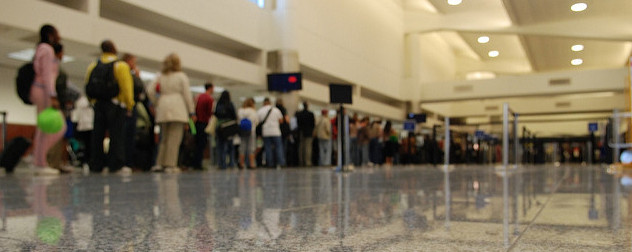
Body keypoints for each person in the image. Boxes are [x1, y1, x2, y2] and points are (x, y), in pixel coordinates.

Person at [85, 40, 135, 175]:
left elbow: (88, 84)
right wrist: (129, 104)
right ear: (114, 49)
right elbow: (126, 87)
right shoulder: (120, 65)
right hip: (115, 104)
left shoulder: (93, 65)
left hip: (99, 104)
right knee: (116, 135)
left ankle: (96, 164)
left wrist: (93, 101)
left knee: (97, 135)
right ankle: (116, 165)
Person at [147, 53, 195, 173]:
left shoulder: (160, 76)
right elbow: (187, 95)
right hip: (177, 108)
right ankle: (170, 164)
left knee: (164, 138)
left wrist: (157, 102)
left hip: (163, 107)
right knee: (174, 138)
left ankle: (159, 163)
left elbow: (150, 90)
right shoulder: (181, 76)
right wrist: (191, 111)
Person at [29, 24, 65, 175]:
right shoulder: (47, 50)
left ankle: (39, 161)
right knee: (58, 127)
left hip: (38, 89)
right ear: (50, 35)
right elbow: (47, 75)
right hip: (43, 90)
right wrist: (52, 95)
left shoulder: (40, 49)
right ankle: (39, 160)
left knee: (42, 129)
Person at [121, 53, 144, 170]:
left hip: (124, 106)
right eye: (133, 62)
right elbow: (140, 87)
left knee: (125, 136)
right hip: (128, 106)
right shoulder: (127, 73)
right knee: (128, 136)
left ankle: (125, 162)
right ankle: (126, 162)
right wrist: (137, 75)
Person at [257, 98, 285, 168]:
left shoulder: (260, 111)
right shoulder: (276, 110)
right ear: (270, 103)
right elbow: (281, 121)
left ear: (264, 103)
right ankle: (281, 163)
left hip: (265, 131)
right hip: (276, 131)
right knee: (278, 147)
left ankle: (270, 163)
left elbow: (258, 122)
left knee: (268, 148)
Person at [214, 91, 237, 170]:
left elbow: (215, 114)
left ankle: (221, 164)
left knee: (220, 146)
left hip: (220, 127)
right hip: (229, 127)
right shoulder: (230, 104)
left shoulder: (218, 104)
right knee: (230, 146)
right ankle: (231, 163)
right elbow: (234, 115)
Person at [193, 83, 214, 170]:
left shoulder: (198, 96)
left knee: (196, 143)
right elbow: (209, 112)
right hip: (204, 123)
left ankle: (195, 163)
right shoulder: (209, 98)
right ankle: (199, 164)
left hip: (196, 123)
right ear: (210, 88)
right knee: (202, 143)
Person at [237, 97, 258, 169]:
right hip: (251, 130)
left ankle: (241, 163)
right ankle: (251, 164)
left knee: (242, 146)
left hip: (242, 131)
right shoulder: (253, 111)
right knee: (251, 147)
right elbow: (256, 121)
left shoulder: (240, 111)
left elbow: (238, 121)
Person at [295, 101, 315, 167]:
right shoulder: (310, 114)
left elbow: (297, 123)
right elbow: (313, 124)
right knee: (308, 147)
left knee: (301, 147)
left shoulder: (299, 114)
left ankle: (301, 162)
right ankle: (308, 162)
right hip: (309, 132)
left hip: (301, 132)